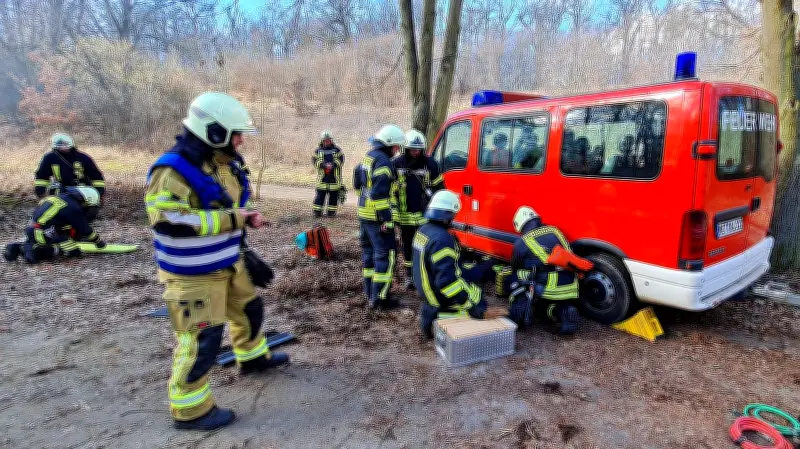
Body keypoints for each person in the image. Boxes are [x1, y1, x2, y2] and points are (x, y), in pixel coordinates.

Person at [145, 92, 289, 431]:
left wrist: (245, 233)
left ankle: (252, 358)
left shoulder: (225, 166)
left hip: (229, 261)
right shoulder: (172, 170)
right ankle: (190, 408)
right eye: (236, 133)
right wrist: (233, 220)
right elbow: (169, 220)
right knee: (201, 340)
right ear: (213, 132)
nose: (240, 141)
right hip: (192, 275)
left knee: (249, 310)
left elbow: (227, 208)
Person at [412, 190, 487, 338]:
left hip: (426, 287)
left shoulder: (424, 229)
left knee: (473, 277)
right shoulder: (442, 239)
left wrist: (468, 254)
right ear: (449, 215)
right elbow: (447, 283)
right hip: (439, 295)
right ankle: (441, 319)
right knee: (479, 301)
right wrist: (470, 305)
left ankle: (431, 317)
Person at [508, 206, 581, 335]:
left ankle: (521, 312)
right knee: (548, 306)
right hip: (571, 283)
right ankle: (562, 310)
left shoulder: (522, 242)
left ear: (519, 225)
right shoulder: (554, 230)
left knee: (518, 275)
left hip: (550, 286)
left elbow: (515, 266)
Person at [357, 124, 405, 310]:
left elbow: (357, 181)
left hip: (364, 214)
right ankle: (381, 299)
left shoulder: (369, 156)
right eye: (396, 147)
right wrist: (387, 220)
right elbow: (379, 194)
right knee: (386, 256)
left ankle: (370, 293)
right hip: (378, 218)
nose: (397, 151)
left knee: (369, 255)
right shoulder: (384, 162)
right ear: (390, 144)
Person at [393, 129, 443, 290]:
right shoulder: (396, 164)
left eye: (418, 149)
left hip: (425, 215)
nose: (415, 152)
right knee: (407, 245)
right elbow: (390, 191)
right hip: (405, 214)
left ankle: (425, 272)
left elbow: (439, 188)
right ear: (405, 148)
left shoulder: (431, 164)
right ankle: (409, 275)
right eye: (412, 149)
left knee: (425, 244)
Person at [4, 186, 104, 264]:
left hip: (32, 229)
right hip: (43, 232)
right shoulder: (74, 208)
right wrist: (98, 242)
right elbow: (85, 229)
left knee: (62, 236)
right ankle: (34, 251)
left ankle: (17, 247)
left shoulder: (60, 198)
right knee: (72, 252)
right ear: (87, 200)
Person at [34, 133, 106, 200]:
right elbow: (42, 177)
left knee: (87, 209)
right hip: (60, 191)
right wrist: (41, 193)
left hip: (83, 190)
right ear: (55, 146)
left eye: (65, 144)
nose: (63, 146)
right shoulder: (49, 158)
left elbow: (97, 177)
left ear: (71, 144)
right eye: (60, 144)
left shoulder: (83, 157)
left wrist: (99, 193)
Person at [312, 130, 344, 217]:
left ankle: (331, 213)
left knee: (333, 198)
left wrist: (332, 165)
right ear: (322, 141)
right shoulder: (318, 150)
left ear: (331, 140)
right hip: (322, 179)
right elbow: (315, 161)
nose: (327, 142)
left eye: (328, 140)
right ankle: (317, 212)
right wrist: (324, 165)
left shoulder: (337, 150)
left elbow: (341, 160)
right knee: (319, 197)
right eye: (325, 140)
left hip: (334, 179)